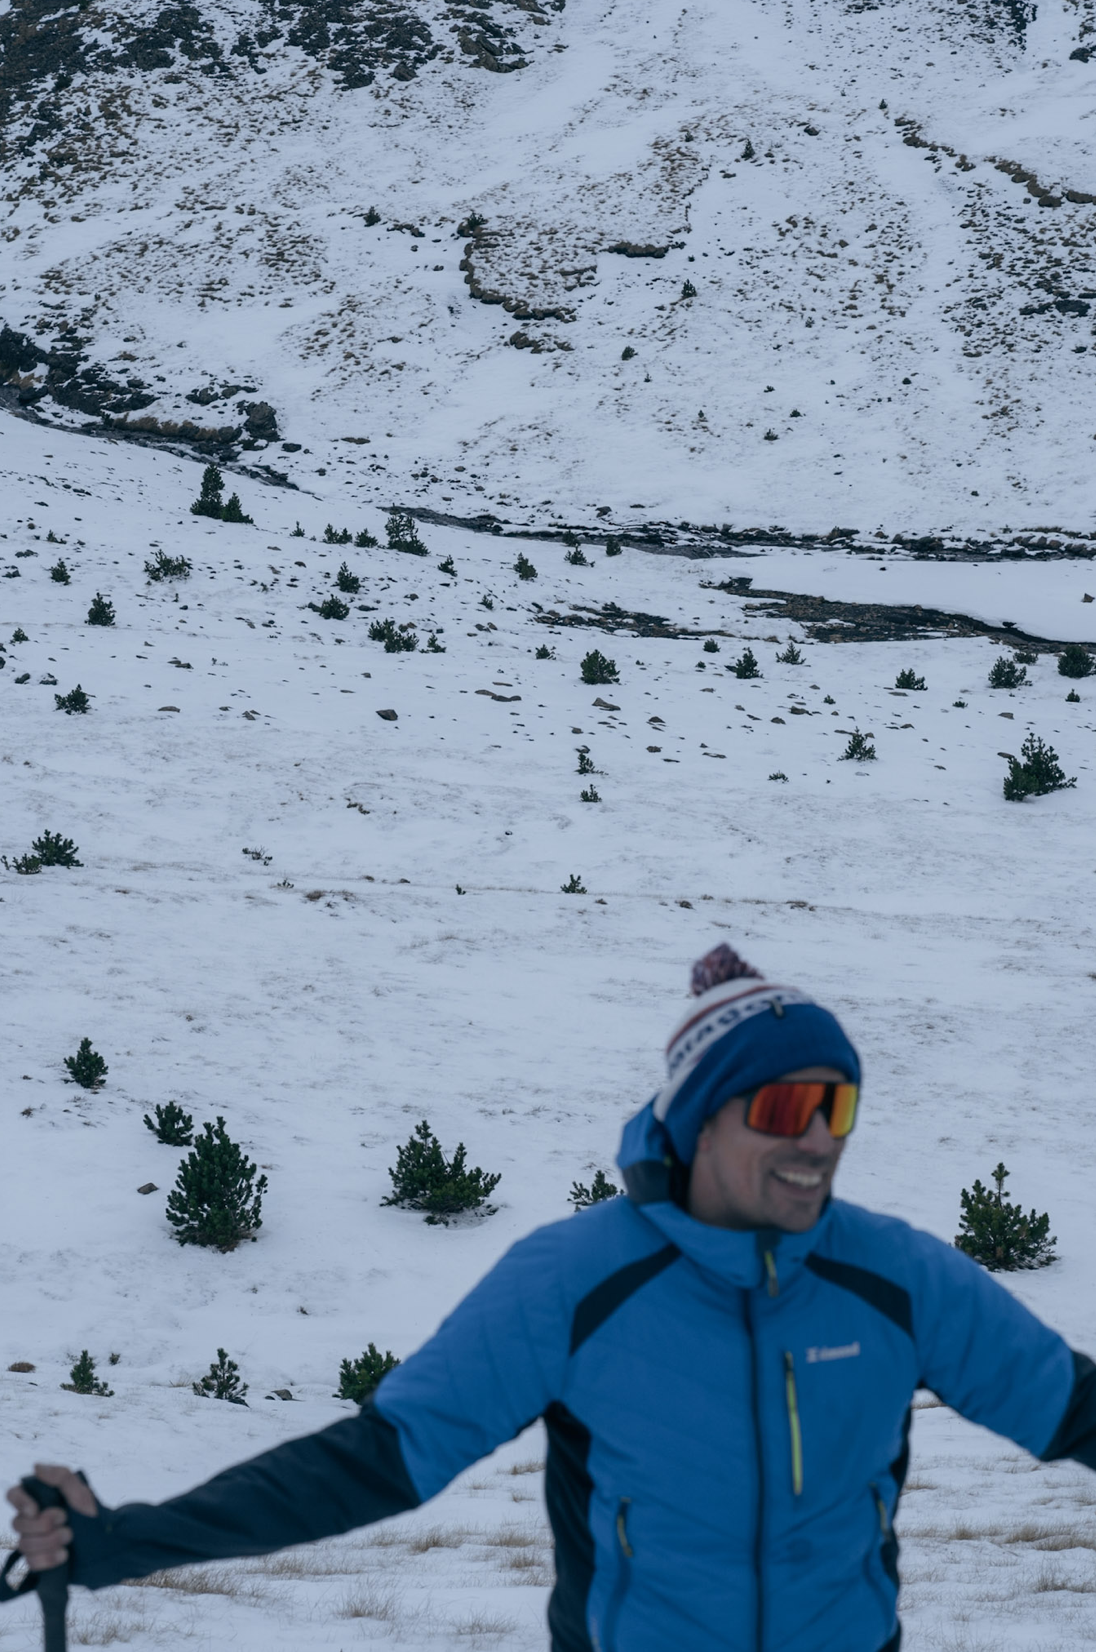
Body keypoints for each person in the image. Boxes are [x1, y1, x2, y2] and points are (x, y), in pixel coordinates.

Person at [9, 943, 1096, 1652]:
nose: (817, 1136)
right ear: (699, 1121)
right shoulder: (580, 1280)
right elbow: (376, 1460)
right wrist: (122, 1540)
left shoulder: (894, 1278)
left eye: (838, 1103)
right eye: (781, 1102)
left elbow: (1072, 1407)